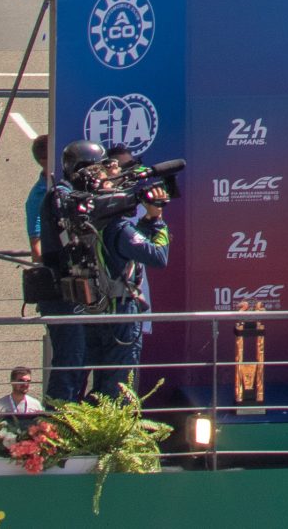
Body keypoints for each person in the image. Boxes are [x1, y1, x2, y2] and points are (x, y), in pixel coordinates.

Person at [84, 166, 170, 400]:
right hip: (121, 311)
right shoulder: (119, 228)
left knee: (103, 383)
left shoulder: (90, 222)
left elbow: (124, 248)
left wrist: (146, 221)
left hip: (99, 311)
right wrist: (158, 220)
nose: (118, 187)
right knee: (120, 387)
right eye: (110, 183)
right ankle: (115, 431)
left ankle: (100, 428)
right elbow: (158, 257)